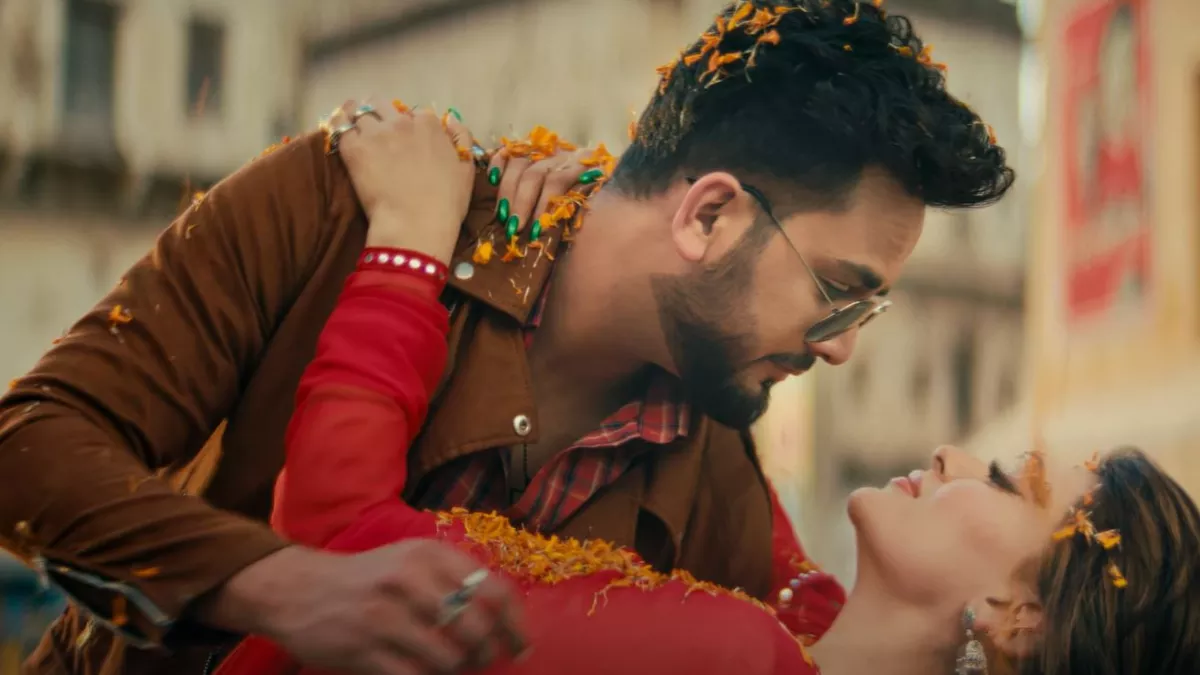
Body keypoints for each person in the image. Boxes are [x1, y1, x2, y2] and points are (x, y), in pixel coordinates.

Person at [0, 1, 1012, 674]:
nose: (840, 348)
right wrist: (276, 583)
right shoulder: (348, 204)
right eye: (839, 292)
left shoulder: (717, 479)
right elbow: (29, 446)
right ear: (708, 215)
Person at [207, 180, 1200, 674]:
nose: (953, 453)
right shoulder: (801, 611)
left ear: (1019, 616)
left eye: (1006, 481)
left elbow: (341, 535)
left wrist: (411, 240)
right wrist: (612, 228)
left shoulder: (731, 651)